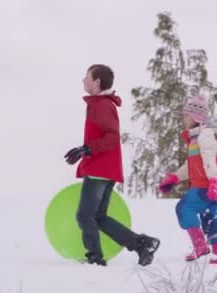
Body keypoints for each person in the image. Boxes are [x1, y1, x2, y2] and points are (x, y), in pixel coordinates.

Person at [64, 64, 160, 267]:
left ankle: (95, 257)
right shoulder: (100, 104)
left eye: (87, 77)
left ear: (97, 82)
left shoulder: (102, 105)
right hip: (104, 168)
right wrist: (84, 149)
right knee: (98, 217)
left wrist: (87, 149)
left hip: (100, 169)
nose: (83, 80)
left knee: (85, 215)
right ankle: (141, 244)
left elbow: (112, 137)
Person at [158, 95, 217, 264]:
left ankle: (200, 246)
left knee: (184, 208)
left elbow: (209, 158)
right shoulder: (200, 136)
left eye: (186, 115)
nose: (184, 119)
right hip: (214, 187)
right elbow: (192, 165)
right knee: (211, 218)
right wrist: (175, 178)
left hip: (205, 186)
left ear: (196, 117)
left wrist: (212, 181)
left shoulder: (204, 135)